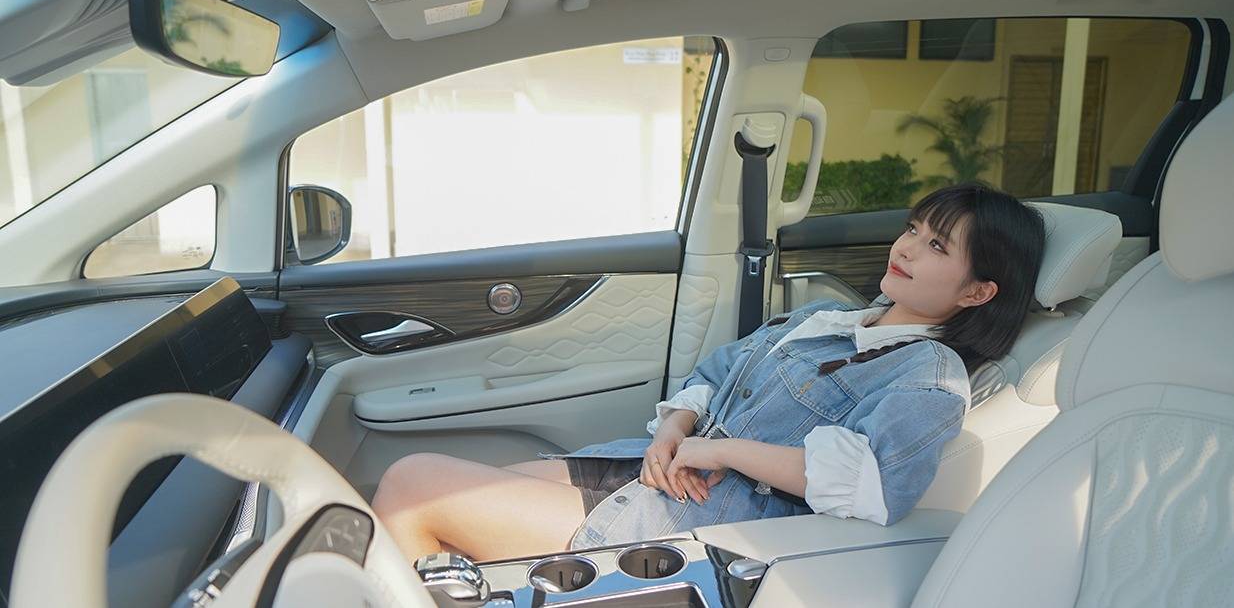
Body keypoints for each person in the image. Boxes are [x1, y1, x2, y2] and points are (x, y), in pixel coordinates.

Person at [370, 183, 1047, 563]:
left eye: (937, 245)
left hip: (705, 519)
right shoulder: (829, 319)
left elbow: (873, 484)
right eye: (914, 228)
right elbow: (718, 370)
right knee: (441, 496)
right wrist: (676, 427)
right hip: (651, 473)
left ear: (977, 291)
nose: (908, 247)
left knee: (411, 487)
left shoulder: (931, 372)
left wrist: (720, 450)